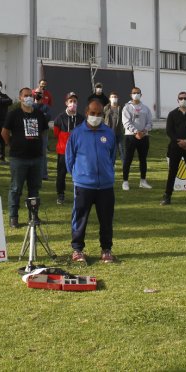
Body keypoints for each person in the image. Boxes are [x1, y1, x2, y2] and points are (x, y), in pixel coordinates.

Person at [65, 98, 117, 264]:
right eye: (92, 113)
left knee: (106, 219)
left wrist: (107, 173)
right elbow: (69, 159)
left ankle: (106, 250)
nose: (95, 116)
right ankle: (77, 250)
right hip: (83, 185)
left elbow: (112, 157)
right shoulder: (77, 133)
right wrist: (79, 176)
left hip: (106, 186)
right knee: (80, 218)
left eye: (99, 114)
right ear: (87, 113)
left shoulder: (109, 133)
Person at [1, 87, 48, 228]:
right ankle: (13, 217)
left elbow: (44, 131)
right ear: (20, 97)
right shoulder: (13, 114)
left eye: (30, 96)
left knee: (34, 188)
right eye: (25, 95)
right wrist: (10, 144)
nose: (28, 98)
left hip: (36, 158)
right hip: (18, 158)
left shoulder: (39, 114)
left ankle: (33, 216)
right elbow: (4, 132)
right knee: (16, 188)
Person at [161, 91, 186, 206]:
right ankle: (167, 197)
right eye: (181, 98)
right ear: (177, 100)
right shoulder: (172, 114)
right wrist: (179, 141)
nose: (183, 100)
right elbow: (169, 131)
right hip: (175, 147)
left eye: (185, 98)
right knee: (172, 172)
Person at [53, 92, 85, 205]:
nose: (73, 103)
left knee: (79, 173)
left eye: (75, 101)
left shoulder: (81, 118)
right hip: (63, 151)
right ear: (66, 103)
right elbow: (56, 132)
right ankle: (60, 194)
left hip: (78, 151)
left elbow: (84, 133)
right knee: (61, 174)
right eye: (70, 101)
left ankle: (79, 193)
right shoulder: (60, 117)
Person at [121, 86, 153, 190]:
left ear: (141, 95)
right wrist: (136, 132)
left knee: (143, 159)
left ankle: (143, 181)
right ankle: (125, 181)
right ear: (131, 95)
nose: (136, 94)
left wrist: (143, 131)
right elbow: (126, 122)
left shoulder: (145, 108)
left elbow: (150, 122)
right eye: (134, 92)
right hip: (130, 136)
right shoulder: (127, 107)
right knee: (128, 159)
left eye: (138, 93)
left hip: (144, 136)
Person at [33, 91, 52, 181]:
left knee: (43, 153)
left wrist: (39, 116)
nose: (38, 99)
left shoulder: (46, 107)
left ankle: (44, 174)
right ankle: (34, 173)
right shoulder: (32, 106)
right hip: (33, 130)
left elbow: (48, 117)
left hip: (43, 131)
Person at [103, 92, 125, 162]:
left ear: (117, 98)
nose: (114, 98)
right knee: (113, 151)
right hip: (109, 133)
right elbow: (102, 119)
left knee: (122, 150)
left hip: (119, 132)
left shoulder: (120, 108)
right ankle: (111, 165)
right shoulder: (106, 108)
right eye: (112, 97)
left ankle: (125, 166)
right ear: (110, 98)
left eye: (115, 97)